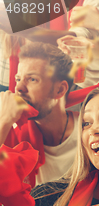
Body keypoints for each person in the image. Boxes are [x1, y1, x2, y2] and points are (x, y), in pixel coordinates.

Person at [0, 42, 76, 185]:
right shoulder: (10, 128)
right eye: (18, 79)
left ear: (59, 90)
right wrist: (3, 122)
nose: (18, 88)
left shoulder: (89, 132)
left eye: (32, 79)